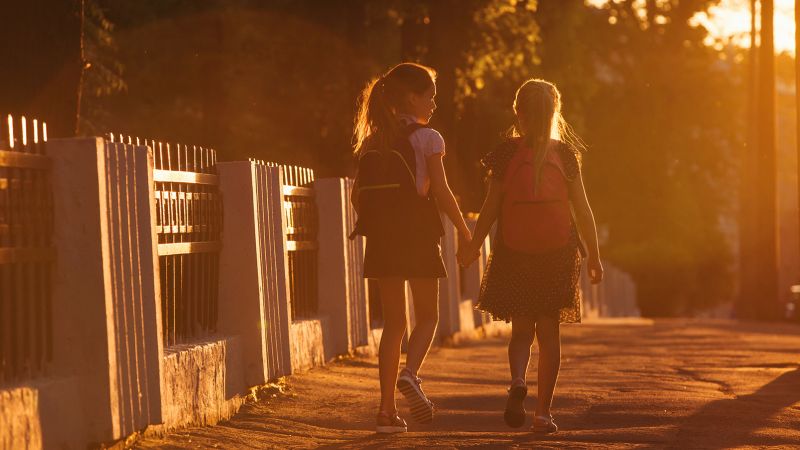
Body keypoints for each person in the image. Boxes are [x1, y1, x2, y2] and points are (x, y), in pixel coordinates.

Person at [458, 78, 603, 433]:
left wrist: (475, 244)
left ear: (518, 114)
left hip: (515, 251)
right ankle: (543, 414)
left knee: (521, 331)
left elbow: (490, 206)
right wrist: (595, 256)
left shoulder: (506, 154)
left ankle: (518, 380)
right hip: (556, 254)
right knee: (549, 334)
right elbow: (583, 211)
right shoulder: (566, 155)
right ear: (554, 113)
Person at [350, 62, 473, 434]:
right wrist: (466, 233)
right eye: (430, 95)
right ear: (412, 97)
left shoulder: (372, 141)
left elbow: (358, 198)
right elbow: (441, 191)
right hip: (418, 235)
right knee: (428, 317)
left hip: (384, 241)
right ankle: (411, 374)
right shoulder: (428, 139)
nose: (434, 103)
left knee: (393, 325)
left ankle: (385, 412)